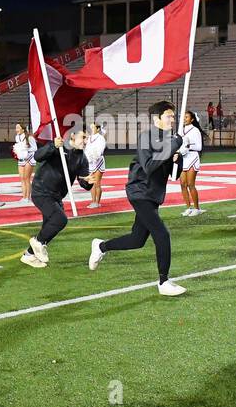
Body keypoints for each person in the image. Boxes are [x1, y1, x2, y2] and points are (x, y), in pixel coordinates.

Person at [87, 100, 185, 295]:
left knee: (137, 239)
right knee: (162, 234)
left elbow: (174, 175)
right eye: (169, 116)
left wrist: (177, 157)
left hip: (153, 195)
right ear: (157, 118)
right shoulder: (146, 137)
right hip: (139, 191)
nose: (173, 119)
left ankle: (101, 246)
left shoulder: (168, 139)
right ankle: (163, 282)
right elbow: (148, 166)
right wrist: (172, 146)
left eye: (173, 116)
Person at [20, 130, 96, 268]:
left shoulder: (82, 158)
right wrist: (52, 146)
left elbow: (84, 182)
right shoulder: (58, 146)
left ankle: (29, 255)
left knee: (48, 227)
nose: (85, 141)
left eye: (87, 138)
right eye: (83, 137)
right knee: (60, 220)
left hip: (56, 196)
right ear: (72, 135)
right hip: (41, 191)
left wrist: (89, 181)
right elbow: (37, 156)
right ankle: (37, 242)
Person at [178, 109, 204, 216]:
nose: (184, 119)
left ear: (192, 119)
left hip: (192, 157)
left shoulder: (195, 130)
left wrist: (188, 146)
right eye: (183, 117)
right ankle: (188, 207)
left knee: (190, 184)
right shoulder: (180, 130)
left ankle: (197, 208)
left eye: (186, 117)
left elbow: (199, 147)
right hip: (183, 158)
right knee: (182, 184)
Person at [12, 122, 37, 205]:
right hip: (21, 158)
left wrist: (25, 149)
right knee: (22, 178)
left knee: (27, 178)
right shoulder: (17, 137)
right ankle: (24, 197)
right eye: (16, 128)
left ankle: (28, 197)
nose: (16, 130)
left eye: (18, 128)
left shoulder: (29, 137)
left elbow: (35, 148)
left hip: (29, 158)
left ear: (23, 129)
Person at [84, 122, 107, 209]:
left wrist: (94, 156)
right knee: (92, 183)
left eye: (93, 128)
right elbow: (86, 150)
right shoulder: (89, 138)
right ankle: (93, 201)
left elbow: (100, 151)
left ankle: (97, 202)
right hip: (91, 163)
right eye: (91, 127)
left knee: (97, 183)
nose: (91, 129)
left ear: (97, 129)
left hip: (98, 162)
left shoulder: (101, 138)